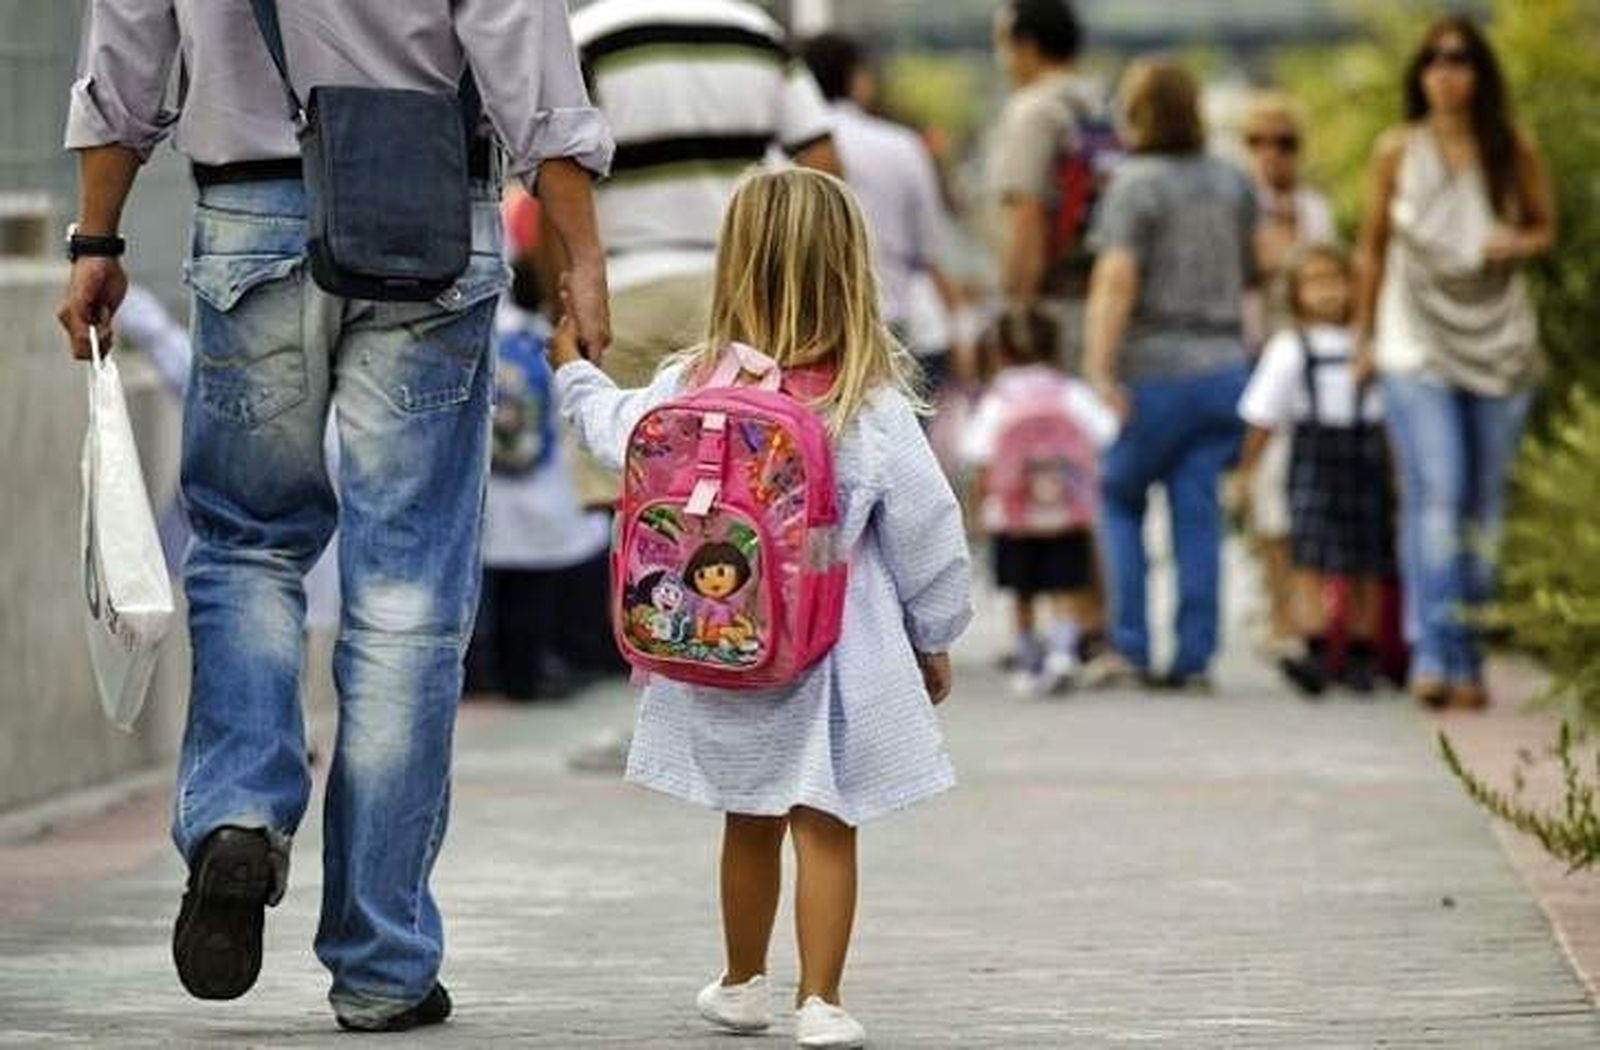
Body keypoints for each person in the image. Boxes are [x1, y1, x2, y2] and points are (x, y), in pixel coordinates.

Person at [57, 0, 612, 1031]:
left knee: (247, 543)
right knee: (407, 597)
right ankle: (381, 962)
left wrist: (96, 236)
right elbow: (525, 59)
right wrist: (579, 255)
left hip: (247, 219)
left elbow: (125, 57)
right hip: (429, 221)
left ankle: (238, 809)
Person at [552, 169, 972, 1050]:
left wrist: (573, 377)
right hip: (835, 646)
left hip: (728, 640)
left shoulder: (688, 383)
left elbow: (618, 432)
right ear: (852, 269)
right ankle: (822, 999)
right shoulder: (868, 400)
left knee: (749, 815)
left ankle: (743, 982)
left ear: (733, 265)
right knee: (825, 819)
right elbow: (929, 527)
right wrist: (934, 634)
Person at [1353, 15, 1555, 710]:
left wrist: (1515, 243)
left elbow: (1543, 227)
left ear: (1480, 73)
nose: (1447, 71)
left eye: (1461, 59)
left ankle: (1469, 654)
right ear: (1419, 73)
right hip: (1415, 340)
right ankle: (1436, 655)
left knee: (1484, 508)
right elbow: (1370, 248)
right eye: (1434, 59)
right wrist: (1362, 338)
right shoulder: (1395, 150)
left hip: (1497, 340)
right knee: (1437, 496)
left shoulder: (1510, 147)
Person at [568, 0, 840, 510]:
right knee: (740, 486)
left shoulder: (584, 35)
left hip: (621, 294)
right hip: (742, 296)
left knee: (629, 497)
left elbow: (560, 169)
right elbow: (822, 162)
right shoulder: (759, 34)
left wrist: (564, 291)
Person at [1083, 58, 1259, 692]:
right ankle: (1195, 653)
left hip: (1152, 367)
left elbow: (1117, 277)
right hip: (1222, 366)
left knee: (1119, 498)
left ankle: (1129, 643)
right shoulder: (1233, 182)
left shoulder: (1136, 184)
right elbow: (1258, 272)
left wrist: (1099, 368)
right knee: (1196, 509)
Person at [467, 190, 617, 701]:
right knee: (532, 596)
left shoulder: (484, 337)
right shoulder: (540, 340)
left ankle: (479, 669)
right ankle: (528, 676)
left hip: (492, 496)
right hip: (542, 494)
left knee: (485, 589)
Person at [1237, 245, 1393, 697]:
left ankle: (1364, 650)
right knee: (1308, 557)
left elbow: (1392, 417)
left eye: (1335, 280)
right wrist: (1247, 469)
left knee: (1366, 561)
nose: (1327, 293)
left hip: (1364, 452)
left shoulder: (1371, 346)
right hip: (1313, 453)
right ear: (1296, 294)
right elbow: (1262, 417)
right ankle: (1317, 645)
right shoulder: (1288, 349)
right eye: (1314, 283)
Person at [961, 310, 1119, 695]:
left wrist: (983, 508)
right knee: (1066, 586)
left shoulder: (998, 399)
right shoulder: (1070, 392)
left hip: (1013, 515)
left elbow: (978, 454)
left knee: (1022, 591)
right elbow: (1105, 432)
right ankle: (1064, 654)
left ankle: (1030, 660)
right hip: (1067, 513)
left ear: (1000, 353)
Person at [1235, 93, 1338, 656]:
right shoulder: (1238, 206)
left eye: (1284, 142)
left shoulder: (1314, 210)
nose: (1271, 154)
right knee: (1266, 492)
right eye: (1258, 141)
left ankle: (1304, 609)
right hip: (1256, 360)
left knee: (1305, 494)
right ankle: (1279, 610)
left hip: (1312, 367)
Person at [798, 32, 959, 382]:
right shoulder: (900, 145)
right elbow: (929, 247)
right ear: (856, 78)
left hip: (804, 324)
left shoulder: (782, 150)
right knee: (896, 428)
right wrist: (958, 322)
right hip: (888, 316)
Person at [988, 0, 1103, 363]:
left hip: (1050, 311)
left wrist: (1017, 312)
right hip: (1097, 300)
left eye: (1003, 45)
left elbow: (1027, 212)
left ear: (1027, 46)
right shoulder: (1099, 106)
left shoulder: (1032, 111)